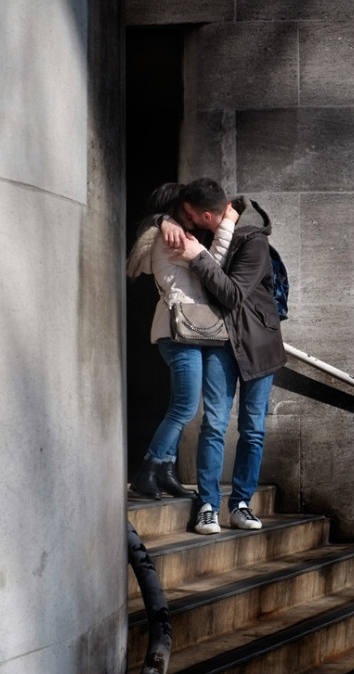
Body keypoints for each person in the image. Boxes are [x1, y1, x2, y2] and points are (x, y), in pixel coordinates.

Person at [166, 178, 285, 535]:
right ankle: (207, 505)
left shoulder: (253, 243)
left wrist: (197, 258)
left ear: (206, 215)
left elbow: (232, 294)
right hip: (218, 343)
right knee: (214, 424)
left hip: (258, 345)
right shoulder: (199, 234)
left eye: (188, 215)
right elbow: (157, 214)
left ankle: (241, 504)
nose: (184, 220)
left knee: (252, 430)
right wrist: (164, 222)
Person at [125, 183, 239, 500]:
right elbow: (212, 264)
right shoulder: (171, 236)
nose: (191, 217)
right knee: (185, 407)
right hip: (179, 332)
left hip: (185, 330)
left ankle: (166, 471)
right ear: (176, 210)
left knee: (180, 404)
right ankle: (147, 472)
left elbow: (204, 266)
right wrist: (227, 224)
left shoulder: (175, 234)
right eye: (185, 211)